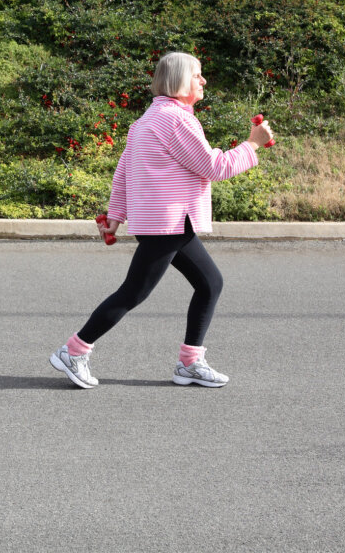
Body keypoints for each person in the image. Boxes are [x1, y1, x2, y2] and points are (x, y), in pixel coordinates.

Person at [49, 51, 274, 389]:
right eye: (197, 75)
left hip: (167, 223)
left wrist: (115, 216)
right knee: (133, 292)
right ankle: (74, 350)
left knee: (209, 283)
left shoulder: (145, 121)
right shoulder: (177, 120)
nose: (203, 81)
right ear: (180, 80)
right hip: (167, 222)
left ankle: (190, 362)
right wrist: (252, 145)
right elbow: (214, 167)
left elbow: (124, 172)